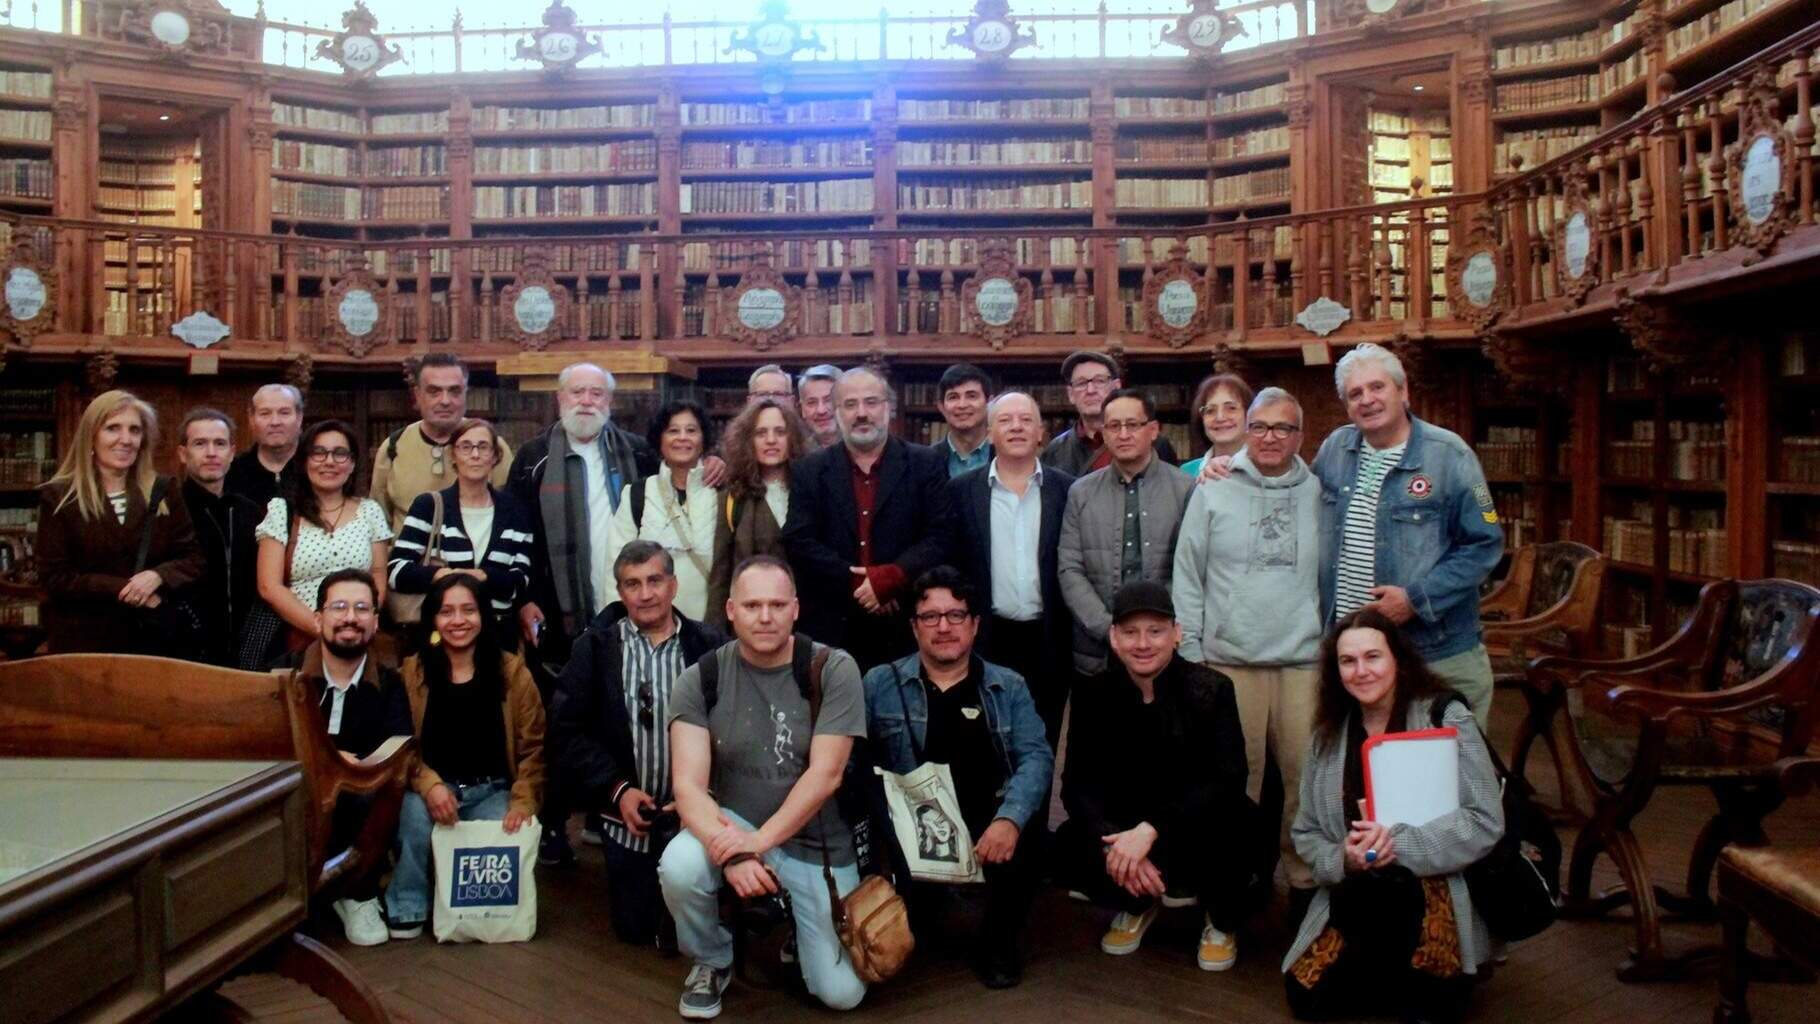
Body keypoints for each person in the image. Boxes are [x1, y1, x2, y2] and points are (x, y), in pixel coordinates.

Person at [659, 556, 869, 1017]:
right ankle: (711, 959)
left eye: (777, 604)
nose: (766, 616)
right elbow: (688, 787)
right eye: (752, 605)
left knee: (842, 994)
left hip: (816, 843)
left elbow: (826, 775)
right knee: (679, 866)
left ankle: (795, 923)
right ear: (731, 610)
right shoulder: (702, 678)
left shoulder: (832, 669)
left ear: (796, 608)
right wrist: (732, 850)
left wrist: (757, 844)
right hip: (733, 824)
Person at [1282, 609, 1503, 1022]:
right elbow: (1307, 832)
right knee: (1306, 999)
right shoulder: (1326, 737)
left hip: (1428, 888)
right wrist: (1343, 858)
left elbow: (1485, 819)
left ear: (1397, 659)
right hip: (1357, 892)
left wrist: (1397, 844)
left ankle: (1425, 977)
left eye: (1373, 657)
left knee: (1422, 1002)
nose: (1361, 671)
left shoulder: (1446, 716)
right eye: (1348, 661)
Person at [863, 567, 1054, 989]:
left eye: (955, 615)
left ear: (975, 624)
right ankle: (925, 909)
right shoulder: (880, 684)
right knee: (922, 931)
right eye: (930, 617)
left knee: (1030, 832)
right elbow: (854, 760)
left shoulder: (1009, 685)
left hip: (987, 825)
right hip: (912, 831)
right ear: (914, 627)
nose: (944, 626)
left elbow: (1036, 757)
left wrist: (1010, 818)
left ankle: (998, 942)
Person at [1173, 386, 1323, 906]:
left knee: (1306, 777)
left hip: (1303, 660)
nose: (1269, 437)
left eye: (1283, 428)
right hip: (1229, 661)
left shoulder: (1320, 494)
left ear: (1301, 436)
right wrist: (1190, 655)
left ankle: (1304, 883)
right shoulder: (1211, 490)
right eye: (1259, 426)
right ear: (1246, 430)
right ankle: (1232, 887)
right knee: (1237, 784)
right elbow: (1187, 576)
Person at [1055, 582, 1252, 972]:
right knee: (1067, 844)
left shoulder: (1213, 689)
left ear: (1176, 634)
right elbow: (1076, 785)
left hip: (1192, 827)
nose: (1142, 643)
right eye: (1130, 632)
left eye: (1155, 631)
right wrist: (1116, 845)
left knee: (1242, 825)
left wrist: (1152, 830)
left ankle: (1219, 918)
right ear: (1113, 637)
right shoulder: (1092, 693)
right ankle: (1138, 902)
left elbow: (1228, 779)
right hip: (1125, 831)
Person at [508, 362, 660, 867]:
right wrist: (525, 595)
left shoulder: (638, 452)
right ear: (559, 399)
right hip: (554, 610)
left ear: (610, 403)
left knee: (616, 713)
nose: (587, 401)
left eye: (598, 393)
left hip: (621, 606)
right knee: (556, 718)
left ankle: (606, 807)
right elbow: (519, 535)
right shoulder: (532, 457)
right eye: (578, 392)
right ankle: (552, 822)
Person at [1315, 343, 1504, 728]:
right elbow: (1289, 492)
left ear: (1403, 392)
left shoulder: (1451, 456)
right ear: (1346, 405)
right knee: (1367, 773)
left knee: (1448, 775)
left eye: (1377, 387)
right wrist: (1225, 462)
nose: (1367, 399)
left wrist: (1417, 600)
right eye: (1355, 393)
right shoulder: (1335, 449)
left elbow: (1486, 543)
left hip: (1436, 653)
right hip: (1356, 657)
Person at [549, 540, 726, 947]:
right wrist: (618, 791)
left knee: (694, 914)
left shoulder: (709, 647)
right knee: (636, 929)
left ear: (674, 585)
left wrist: (702, 796)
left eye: (654, 581)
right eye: (632, 584)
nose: (645, 594)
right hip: (626, 812)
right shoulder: (594, 650)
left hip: (697, 809)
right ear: (620, 592)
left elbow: (732, 730)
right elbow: (566, 731)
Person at [383, 573, 546, 939]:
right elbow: (401, 746)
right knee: (412, 823)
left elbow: (533, 749)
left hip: (492, 792)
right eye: (447, 612)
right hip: (430, 790)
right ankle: (408, 903)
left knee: (499, 840)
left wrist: (523, 803)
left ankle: (469, 909)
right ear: (434, 621)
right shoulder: (412, 673)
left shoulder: (513, 673)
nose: (458, 621)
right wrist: (430, 786)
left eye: (468, 610)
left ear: (484, 616)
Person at [781, 367, 953, 671]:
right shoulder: (808, 470)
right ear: (836, 412)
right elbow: (798, 542)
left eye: (871, 402)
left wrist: (893, 578)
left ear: (888, 408)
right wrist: (866, 583)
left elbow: (942, 536)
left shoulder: (926, 464)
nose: (862, 413)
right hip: (831, 628)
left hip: (906, 625)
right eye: (850, 404)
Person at [947, 390, 1075, 747]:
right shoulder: (960, 492)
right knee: (984, 744)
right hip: (986, 637)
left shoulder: (1068, 490)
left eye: (1025, 420)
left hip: (1049, 639)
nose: (1016, 427)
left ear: (1040, 432)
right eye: (1005, 420)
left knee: (1041, 743)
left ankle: (1032, 807)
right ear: (990, 433)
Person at [294, 569, 414, 947]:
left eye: (362, 609)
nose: (350, 618)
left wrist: (346, 766)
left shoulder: (391, 681)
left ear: (375, 622)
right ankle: (290, 899)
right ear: (318, 618)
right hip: (302, 790)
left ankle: (358, 893)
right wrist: (322, 760)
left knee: (379, 792)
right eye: (339, 607)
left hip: (361, 791)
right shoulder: (286, 674)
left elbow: (398, 743)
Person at [35, 390, 204, 655]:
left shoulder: (164, 489)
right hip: (85, 641)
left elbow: (193, 559)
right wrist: (126, 588)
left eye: (135, 430)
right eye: (113, 428)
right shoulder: (59, 497)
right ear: (91, 436)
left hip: (153, 641)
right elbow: (55, 577)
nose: (126, 440)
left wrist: (157, 575)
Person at [1057, 387, 1195, 677]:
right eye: (1114, 426)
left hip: (1164, 648)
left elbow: (1189, 569)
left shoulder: (1185, 489)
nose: (1123, 434)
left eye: (1133, 425)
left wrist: (1153, 629)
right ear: (1104, 433)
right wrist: (1108, 629)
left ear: (1154, 429)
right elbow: (1070, 569)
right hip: (1097, 651)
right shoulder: (1080, 493)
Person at [251, 420, 392, 667]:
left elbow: (378, 573)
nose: (329, 461)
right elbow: (269, 586)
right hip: (299, 640)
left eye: (340, 454)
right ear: (304, 461)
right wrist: (324, 628)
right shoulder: (281, 512)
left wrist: (361, 622)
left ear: (352, 463)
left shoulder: (370, 512)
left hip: (359, 638)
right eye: (319, 453)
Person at [388, 418, 536, 627]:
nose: (475, 455)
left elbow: (522, 581)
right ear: (453, 455)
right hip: (441, 633)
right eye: (466, 447)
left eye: (483, 447)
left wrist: (481, 576)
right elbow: (396, 571)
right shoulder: (429, 506)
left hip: (499, 634)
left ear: (495, 456)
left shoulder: (516, 511)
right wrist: (445, 576)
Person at [371, 353, 514, 536]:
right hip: (410, 560)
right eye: (434, 391)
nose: (445, 401)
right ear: (417, 395)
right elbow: (378, 523)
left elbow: (511, 515)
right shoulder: (393, 447)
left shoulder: (493, 447)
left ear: (465, 394)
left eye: (454, 391)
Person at [705, 398, 815, 630]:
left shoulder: (815, 489)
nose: (771, 440)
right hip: (755, 623)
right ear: (748, 440)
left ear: (792, 437)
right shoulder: (733, 497)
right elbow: (721, 574)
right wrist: (714, 636)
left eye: (780, 432)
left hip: (810, 621)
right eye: (761, 433)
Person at [606, 400, 720, 622]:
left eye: (691, 430)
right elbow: (616, 566)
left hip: (713, 628)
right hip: (650, 626)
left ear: (703, 439)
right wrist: (617, 627)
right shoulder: (636, 495)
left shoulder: (725, 493)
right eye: (673, 431)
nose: (682, 437)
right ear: (660, 439)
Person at [174, 408, 264, 665]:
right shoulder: (168, 510)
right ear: (183, 453)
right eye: (200, 443)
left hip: (247, 649)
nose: (211, 453)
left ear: (232, 452)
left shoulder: (251, 511)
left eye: (220, 443)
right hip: (184, 649)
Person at [1041, 351, 1177, 476]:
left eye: (1099, 381)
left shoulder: (1153, 443)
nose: (1090, 390)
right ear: (1070, 394)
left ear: (1116, 387)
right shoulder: (1056, 450)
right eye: (1081, 383)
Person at [225, 383, 303, 510]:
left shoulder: (318, 469)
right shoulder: (232, 473)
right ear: (251, 419)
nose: (275, 422)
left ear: (299, 418)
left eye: (284, 413)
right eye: (265, 413)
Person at [1179, 374, 1255, 479]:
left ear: (1249, 414)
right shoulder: (1186, 472)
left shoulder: (1266, 467)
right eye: (1210, 411)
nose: (1220, 417)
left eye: (1231, 408)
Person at [932, 362, 992, 478]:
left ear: (989, 403)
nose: (962, 405)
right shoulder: (925, 461)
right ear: (941, 407)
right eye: (953, 397)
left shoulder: (1005, 456)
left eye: (971, 396)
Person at [796, 363, 842, 448]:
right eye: (812, 402)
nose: (821, 410)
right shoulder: (795, 454)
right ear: (802, 409)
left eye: (829, 400)